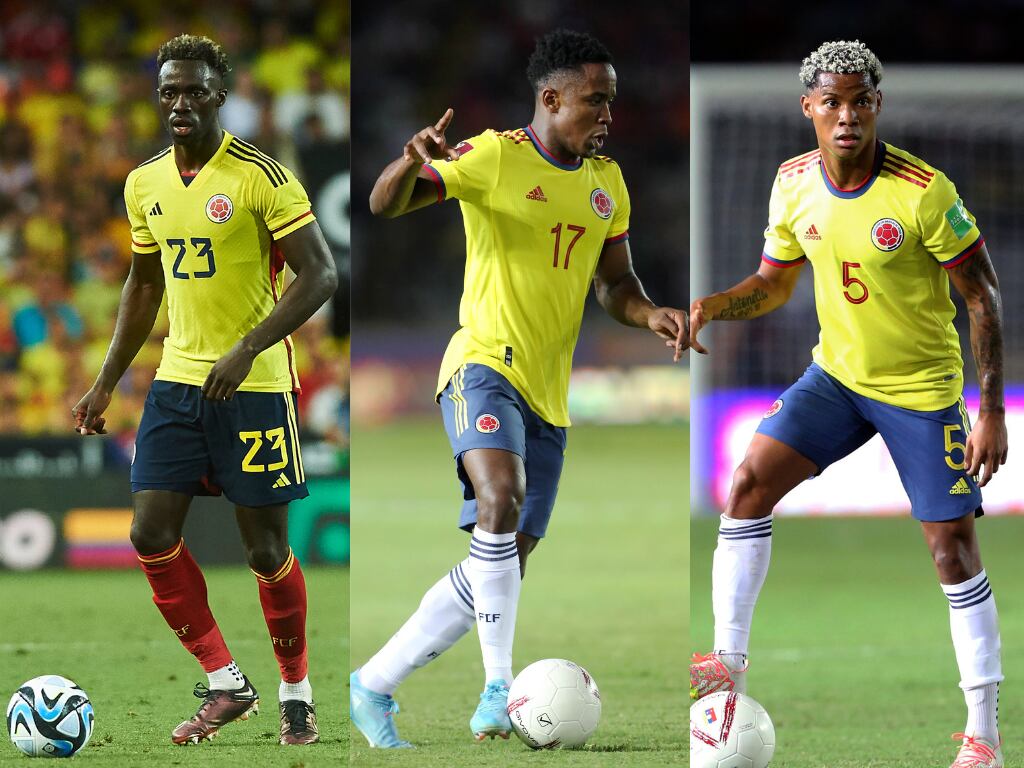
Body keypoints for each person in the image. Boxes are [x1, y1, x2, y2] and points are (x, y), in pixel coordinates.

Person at [349, 29, 687, 748]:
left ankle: (373, 683)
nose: (607, 116)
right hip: (481, 366)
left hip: (547, 393)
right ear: (551, 97)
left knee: (501, 558)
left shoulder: (608, 184)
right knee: (498, 501)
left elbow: (615, 284)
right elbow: (384, 205)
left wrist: (651, 311)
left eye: (612, 102)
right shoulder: (495, 155)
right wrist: (408, 163)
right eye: (596, 101)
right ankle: (498, 690)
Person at [688, 41, 1006, 768]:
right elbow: (773, 285)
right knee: (745, 485)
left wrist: (989, 410)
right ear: (809, 108)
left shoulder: (923, 191)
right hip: (836, 379)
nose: (846, 116)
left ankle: (983, 734)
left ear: (877, 105)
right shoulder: (792, 183)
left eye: (860, 100)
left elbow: (982, 296)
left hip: (922, 391)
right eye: (831, 102)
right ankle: (727, 662)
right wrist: (712, 305)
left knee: (951, 552)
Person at [71, 34, 338, 747]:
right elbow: (144, 282)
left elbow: (321, 276)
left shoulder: (263, 177)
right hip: (178, 382)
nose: (179, 103)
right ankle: (226, 682)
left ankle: (296, 690)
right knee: (149, 531)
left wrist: (247, 347)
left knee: (264, 551)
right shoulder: (145, 183)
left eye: (193, 91)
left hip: (253, 386)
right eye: (168, 92)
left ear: (221, 97)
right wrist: (105, 383)